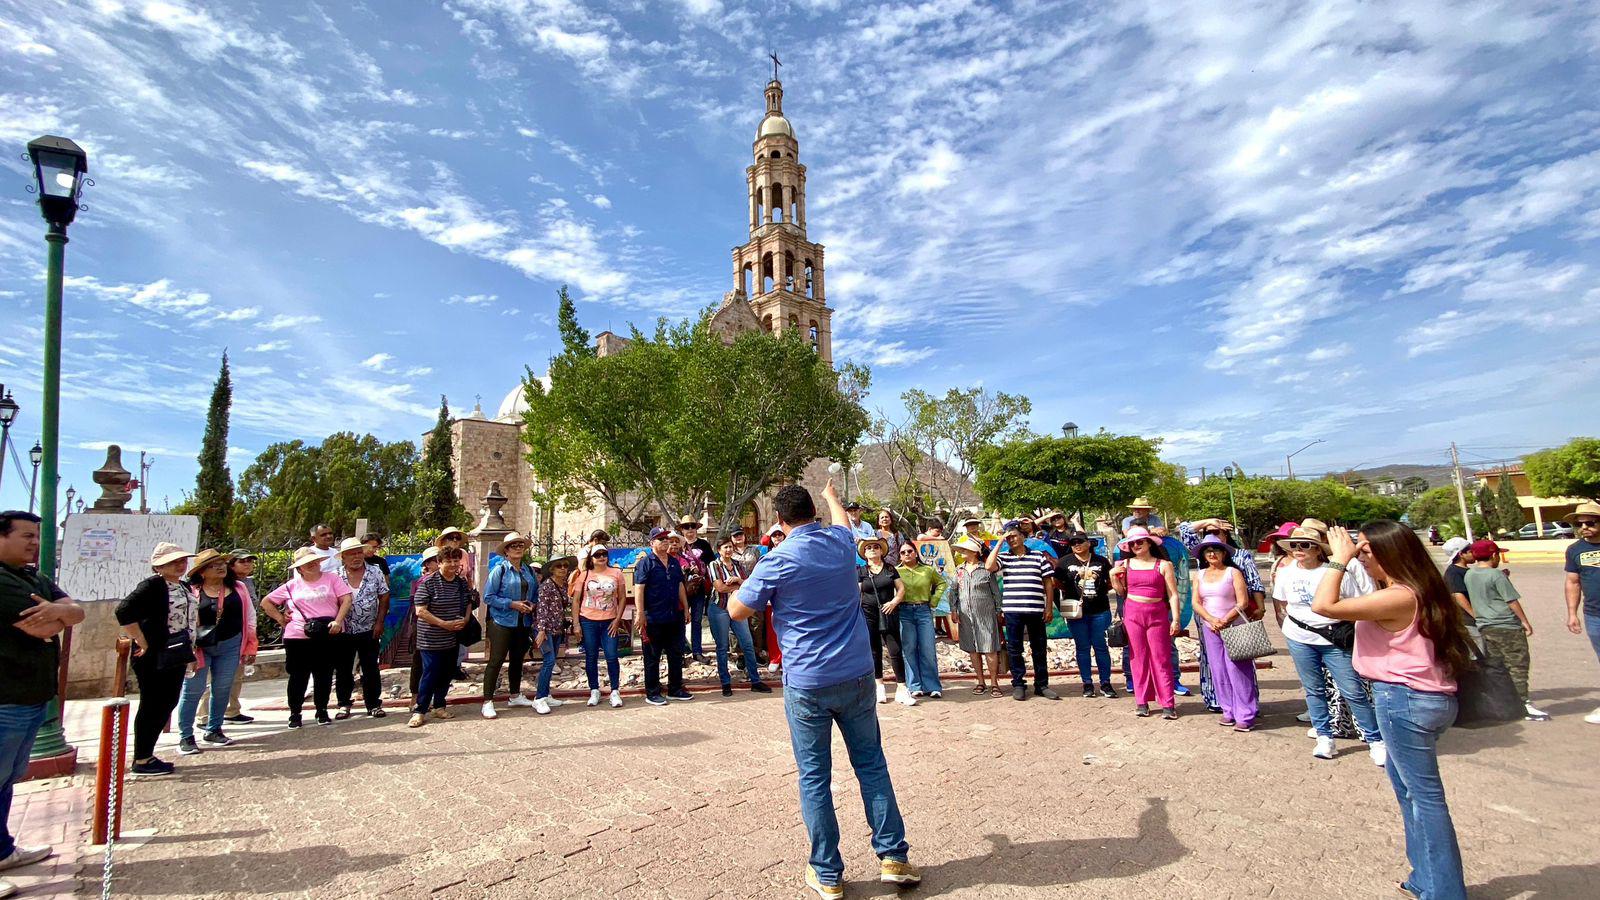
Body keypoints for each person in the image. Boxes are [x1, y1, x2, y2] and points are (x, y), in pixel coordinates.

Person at [729, 481, 918, 896]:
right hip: (855, 674)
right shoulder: (838, 542)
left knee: (815, 777)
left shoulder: (776, 560)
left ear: (779, 520)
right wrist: (832, 494)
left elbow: (738, 609)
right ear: (813, 512)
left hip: (807, 681)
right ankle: (893, 857)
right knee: (871, 764)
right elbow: (842, 521)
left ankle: (828, 873)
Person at [1312, 521, 1475, 900]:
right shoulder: (1418, 588)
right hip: (1420, 698)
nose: (1361, 557)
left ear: (1392, 553)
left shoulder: (1401, 596)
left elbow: (1324, 605)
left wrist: (1338, 560)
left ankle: (1446, 891)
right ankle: (1426, 879)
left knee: (1424, 798)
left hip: (1403, 700)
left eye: (1367, 550)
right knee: (1410, 792)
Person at [1, 510, 84, 891]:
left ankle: (3, 851)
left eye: (37, 536)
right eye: (26, 536)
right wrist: (59, 615)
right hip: (6, 696)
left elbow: (75, 611)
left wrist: (61, 612)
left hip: (29, 695)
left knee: (7, 780)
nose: (34, 542)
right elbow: (48, 626)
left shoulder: (32, 576)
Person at [1271, 523, 1385, 762]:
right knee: (1313, 689)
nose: (1299, 550)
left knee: (1352, 689)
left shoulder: (1333, 570)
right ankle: (1324, 736)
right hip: (1300, 636)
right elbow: (1281, 602)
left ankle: (1375, 739)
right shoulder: (1287, 572)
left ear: (1317, 549)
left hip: (1333, 636)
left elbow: (1356, 601)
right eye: (1294, 545)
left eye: (1305, 545)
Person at [116, 542, 197, 774]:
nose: (180, 565)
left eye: (182, 561)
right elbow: (124, 610)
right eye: (174, 561)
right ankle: (142, 758)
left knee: (167, 701)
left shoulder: (183, 586)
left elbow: (188, 620)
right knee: (153, 704)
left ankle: (147, 754)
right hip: (156, 652)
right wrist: (140, 639)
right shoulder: (152, 585)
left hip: (178, 650)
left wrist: (191, 652)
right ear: (159, 565)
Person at [175, 549, 257, 755]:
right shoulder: (191, 590)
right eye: (213, 565)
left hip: (230, 644)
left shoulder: (238, 587)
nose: (220, 567)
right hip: (199, 648)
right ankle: (186, 735)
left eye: (222, 563)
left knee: (222, 688)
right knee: (193, 690)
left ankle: (214, 729)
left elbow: (250, 617)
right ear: (202, 572)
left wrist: (250, 645)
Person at [262, 546, 354, 728]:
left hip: (327, 633)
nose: (312, 565)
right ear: (299, 568)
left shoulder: (332, 579)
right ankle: (295, 712)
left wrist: (338, 620)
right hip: (298, 635)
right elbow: (267, 602)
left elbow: (346, 599)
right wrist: (281, 618)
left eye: (314, 561)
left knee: (324, 674)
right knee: (298, 675)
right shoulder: (291, 586)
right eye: (306, 563)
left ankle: (322, 710)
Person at [1463, 539, 1547, 720]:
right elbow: (1511, 600)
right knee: (1517, 665)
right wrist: (1524, 621)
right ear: (1494, 555)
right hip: (1506, 625)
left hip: (1485, 626)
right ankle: (1523, 702)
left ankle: (1503, 702)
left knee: (1497, 665)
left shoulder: (1469, 575)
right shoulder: (1496, 575)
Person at [1109, 527, 1180, 718]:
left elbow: (1173, 595)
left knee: (1161, 658)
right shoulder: (1124, 563)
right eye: (1132, 543)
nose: (1136, 545)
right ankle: (1141, 702)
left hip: (1157, 614)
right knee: (1137, 657)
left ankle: (1168, 703)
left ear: (1149, 542)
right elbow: (1121, 592)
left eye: (1140, 541)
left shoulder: (1164, 565)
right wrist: (1112, 576)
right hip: (1133, 613)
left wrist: (1176, 619)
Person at [1190, 536, 1259, 730]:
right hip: (1210, 627)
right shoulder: (1200, 575)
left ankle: (1245, 713)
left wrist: (1225, 620)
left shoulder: (1233, 572)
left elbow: (1243, 602)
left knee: (1238, 669)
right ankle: (1228, 709)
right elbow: (1196, 602)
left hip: (1233, 625)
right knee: (1218, 670)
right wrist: (1211, 620)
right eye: (1208, 550)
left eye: (1216, 550)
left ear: (1224, 553)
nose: (1212, 553)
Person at [986, 527, 1059, 702]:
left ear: (1023, 537)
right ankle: (1018, 684)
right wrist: (1000, 542)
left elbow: (1048, 584)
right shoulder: (1005, 557)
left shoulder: (1038, 556)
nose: (1012, 540)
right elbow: (989, 566)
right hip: (1013, 611)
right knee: (1014, 649)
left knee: (1039, 649)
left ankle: (1042, 685)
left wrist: (1048, 608)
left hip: (1035, 609)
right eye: (1009, 538)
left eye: (1014, 536)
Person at [408, 546, 474, 727]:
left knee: (446, 673)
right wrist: (443, 623)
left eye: (456, 561)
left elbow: (469, 601)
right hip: (430, 637)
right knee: (430, 673)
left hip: (452, 637)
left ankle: (439, 705)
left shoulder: (460, 583)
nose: (453, 565)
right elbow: (421, 611)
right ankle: (420, 709)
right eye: (448, 561)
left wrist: (466, 619)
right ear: (439, 563)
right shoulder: (428, 583)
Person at [481, 532, 538, 719]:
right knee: (496, 660)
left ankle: (514, 694)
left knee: (517, 659)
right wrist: (512, 604)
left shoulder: (528, 571)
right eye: (514, 546)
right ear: (506, 550)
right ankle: (488, 701)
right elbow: (488, 597)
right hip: (502, 621)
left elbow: (535, 594)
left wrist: (531, 604)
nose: (518, 548)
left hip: (522, 621)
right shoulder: (500, 570)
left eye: (520, 545)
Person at [332, 538, 389, 720]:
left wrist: (380, 622)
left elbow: (384, 596)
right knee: (343, 668)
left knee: (370, 667)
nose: (356, 557)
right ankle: (343, 704)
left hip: (369, 628)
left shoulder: (375, 571)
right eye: (351, 554)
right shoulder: (336, 575)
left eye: (358, 552)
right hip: (344, 630)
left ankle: (373, 704)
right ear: (343, 557)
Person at [634, 527, 692, 706]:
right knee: (652, 656)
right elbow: (639, 588)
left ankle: (675, 688)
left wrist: (686, 608)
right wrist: (640, 613)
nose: (665, 542)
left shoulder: (674, 562)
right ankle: (652, 692)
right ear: (652, 543)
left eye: (666, 539)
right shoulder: (646, 563)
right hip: (653, 617)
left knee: (676, 653)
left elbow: (680, 585)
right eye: (660, 539)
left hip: (674, 615)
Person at [708, 538, 771, 696]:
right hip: (719, 608)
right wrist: (740, 585)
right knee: (722, 647)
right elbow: (720, 588)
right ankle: (725, 682)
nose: (728, 550)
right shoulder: (714, 565)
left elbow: (748, 583)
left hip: (737, 607)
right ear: (719, 550)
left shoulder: (737, 565)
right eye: (725, 547)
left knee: (748, 644)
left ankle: (755, 680)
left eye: (730, 547)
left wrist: (738, 581)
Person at [1056, 531, 1115, 698]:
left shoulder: (1101, 561)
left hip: (1099, 610)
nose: (1077, 545)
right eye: (1073, 542)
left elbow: (1110, 582)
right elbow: (1057, 582)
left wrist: (1101, 591)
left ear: (1088, 543)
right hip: (1076, 612)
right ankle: (1087, 683)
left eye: (1080, 541)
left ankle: (1105, 682)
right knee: (1082, 647)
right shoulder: (1064, 562)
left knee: (1101, 647)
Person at [569, 544, 626, 708]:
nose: (601, 557)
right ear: (591, 559)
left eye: (604, 554)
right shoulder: (585, 575)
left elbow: (621, 597)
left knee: (611, 655)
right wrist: (576, 624)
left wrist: (617, 620)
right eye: (597, 555)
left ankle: (615, 690)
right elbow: (576, 600)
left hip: (609, 620)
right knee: (591, 656)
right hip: (588, 619)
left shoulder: (616, 573)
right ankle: (594, 689)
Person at [856, 537, 909, 705]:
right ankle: (879, 686)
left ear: (881, 551)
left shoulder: (890, 569)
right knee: (874, 650)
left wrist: (894, 602)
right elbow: (857, 594)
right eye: (869, 548)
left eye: (876, 547)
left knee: (895, 649)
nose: (872, 549)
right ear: (864, 553)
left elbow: (901, 588)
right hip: (868, 613)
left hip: (889, 612)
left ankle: (902, 688)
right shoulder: (861, 571)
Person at [951, 535, 1005, 696]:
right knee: (972, 649)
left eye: (965, 550)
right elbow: (953, 590)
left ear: (974, 552)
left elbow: (996, 593)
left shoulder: (986, 570)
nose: (962, 553)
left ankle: (994, 682)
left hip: (986, 615)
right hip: (966, 615)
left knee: (990, 649)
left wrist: (998, 611)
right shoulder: (959, 570)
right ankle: (980, 681)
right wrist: (954, 609)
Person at [1563, 502, 1600, 725]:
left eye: (1590, 522)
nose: (1584, 527)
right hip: (1595, 615)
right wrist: (1572, 613)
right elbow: (1572, 582)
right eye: (1579, 523)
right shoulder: (1575, 550)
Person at [213, 550, 259, 726]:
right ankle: (205, 714)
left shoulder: (247, 582)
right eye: (242, 561)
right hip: (226, 635)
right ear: (232, 565)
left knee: (237, 675)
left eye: (250, 561)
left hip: (244, 633)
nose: (248, 564)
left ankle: (232, 710)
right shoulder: (225, 583)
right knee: (217, 677)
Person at [894, 542, 946, 699]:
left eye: (910, 551)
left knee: (928, 648)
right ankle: (914, 685)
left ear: (916, 553)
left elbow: (942, 583)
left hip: (923, 611)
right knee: (909, 649)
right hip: (904, 612)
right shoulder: (896, 571)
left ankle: (933, 686)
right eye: (903, 552)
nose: (907, 554)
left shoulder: (927, 570)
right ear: (900, 555)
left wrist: (935, 599)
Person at [532, 555, 575, 714]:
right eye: (559, 566)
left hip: (557, 629)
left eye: (565, 566)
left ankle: (546, 693)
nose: (563, 568)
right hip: (546, 629)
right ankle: (539, 698)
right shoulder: (547, 586)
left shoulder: (563, 585)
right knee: (549, 661)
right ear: (552, 569)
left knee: (552, 660)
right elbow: (542, 609)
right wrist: (541, 630)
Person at [673, 530, 713, 665]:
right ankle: (681, 651)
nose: (689, 529)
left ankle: (697, 651)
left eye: (692, 526)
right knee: (679, 621)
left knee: (696, 621)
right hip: (679, 591)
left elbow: (711, 563)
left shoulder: (703, 544)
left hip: (697, 588)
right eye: (686, 526)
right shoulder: (673, 555)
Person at [1438, 537, 1481, 647]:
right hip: (1468, 621)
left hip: (1476, 620)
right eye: (1470, 551)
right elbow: (1458, 595)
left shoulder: (1467, 571)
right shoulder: (1453, 573)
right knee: (1479, 654)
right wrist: (1475, 616)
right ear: (1461, 554)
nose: (1474, 553)